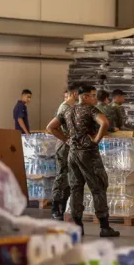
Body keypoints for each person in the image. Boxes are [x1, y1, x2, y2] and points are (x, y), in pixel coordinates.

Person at [46, 85, 120, 238]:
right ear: (85, 97)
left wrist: (67, 140)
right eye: (92, 95)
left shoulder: (67, 110)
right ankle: (104, 226)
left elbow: (51, 127)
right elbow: (104, 123)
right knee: (98, 187)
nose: (95, 98)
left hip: (72, 153)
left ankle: (78, 225)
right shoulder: (90, 110)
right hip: (88, 153)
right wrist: (96, 141)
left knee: (75, 188)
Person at [51, 83, 79, 220]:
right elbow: (53, 128)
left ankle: (63, 206)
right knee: (61, 177)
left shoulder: (72, 107)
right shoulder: (65, 108)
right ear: (75, 94)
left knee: (70, 178)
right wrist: (66, 139)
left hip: (71, 147)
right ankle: (56, 208)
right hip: (64, 147)